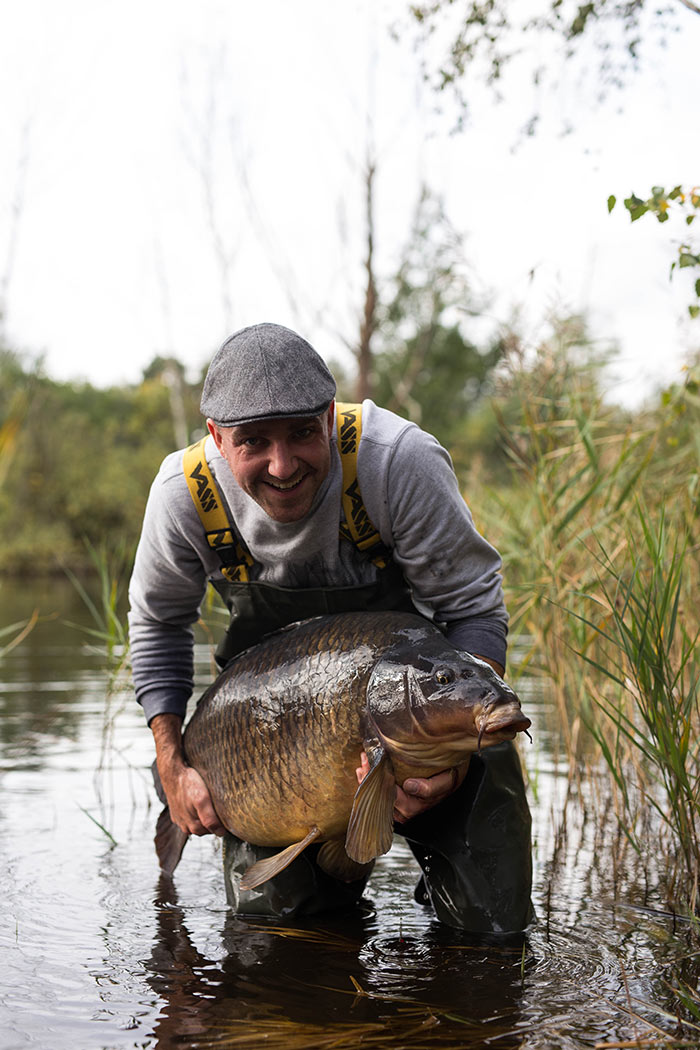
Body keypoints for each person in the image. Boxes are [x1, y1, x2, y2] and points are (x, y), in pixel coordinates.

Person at [128, 322, 533, 931]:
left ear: (329, 415)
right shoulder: (184, 495)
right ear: (216, 437)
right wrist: (171, 761)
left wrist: (452, 756)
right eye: (254, 442)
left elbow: (472, 610)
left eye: (301, 433)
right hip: (269, 737)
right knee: (279, 934)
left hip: (421, 699)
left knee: (493, 928)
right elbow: (158, 626)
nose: (282, 464)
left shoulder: (398, 461)